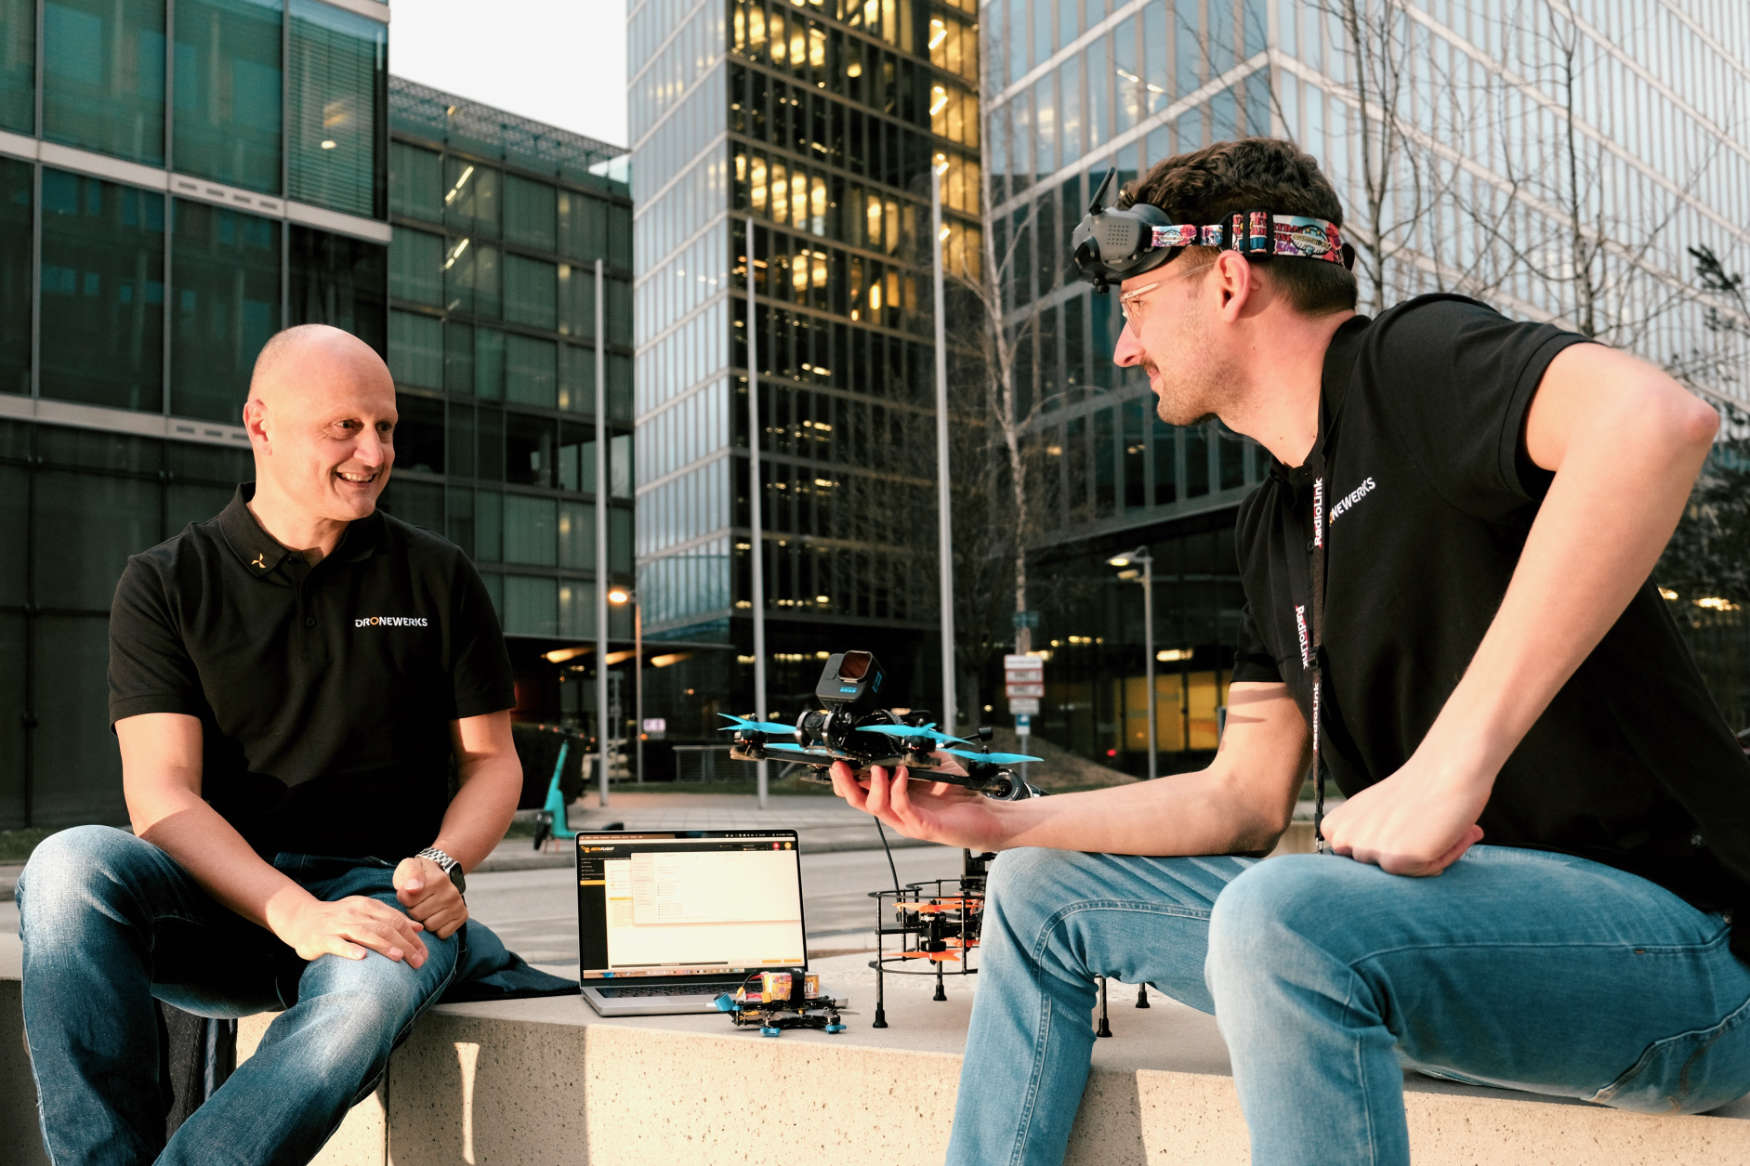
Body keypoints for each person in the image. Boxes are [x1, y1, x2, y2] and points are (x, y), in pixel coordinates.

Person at [829, 138, 1750, 1164]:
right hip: (1464, 948)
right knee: (1040, 887)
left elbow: (1655, 420)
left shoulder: (1412, 364)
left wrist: (1453, 762)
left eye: (1134, 308)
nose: (1124, 351)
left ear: (1227, 281)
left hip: (1690, 956)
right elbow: (1239, 798)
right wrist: (1002, 816)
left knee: (1285, 911)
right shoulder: (1271, 523)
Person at [16, 324, 567, 1166]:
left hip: (380, 897)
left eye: (384, 426)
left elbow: (492, 761)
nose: (373, 451)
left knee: (356, 1003)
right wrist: (290, 911)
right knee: (65, 870)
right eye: (343, 427)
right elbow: (161, 797)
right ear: (261, 424)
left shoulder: (436, 575)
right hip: (221, 898)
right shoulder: (167, 581)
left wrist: (445, 862)